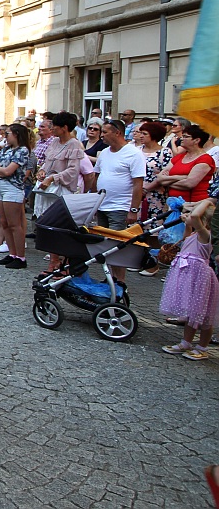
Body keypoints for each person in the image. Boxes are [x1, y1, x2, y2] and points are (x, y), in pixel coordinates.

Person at [86, 119, 146, 285]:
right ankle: (110, 278)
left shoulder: (133, 154)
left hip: (120, 206)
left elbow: (137, 184)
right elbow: (96, 176)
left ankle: (120, 281)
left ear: (117, 132)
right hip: (103, 205)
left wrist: (133, 210)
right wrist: (92, 199)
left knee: (117, 246)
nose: (102, 135)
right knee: (105, 246)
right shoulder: (104, 152)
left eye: (105, 132)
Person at [160, 200, 218, 361]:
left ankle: (202, 347)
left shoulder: (207, 235)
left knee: (204, 315)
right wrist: (187, 223)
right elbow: (187, 235)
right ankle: (186, 342)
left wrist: (206, 201)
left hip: (199, 277)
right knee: (192, 313)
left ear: (204, 221)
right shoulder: (194, 233)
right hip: (188, 276)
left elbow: (195, 215)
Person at [35, 112, 84, 273]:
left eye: (54, 126)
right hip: (48, 190)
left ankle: (66, 264)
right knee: (49, 225)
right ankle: (53, 261)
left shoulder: (74, 144)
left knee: (63, 227)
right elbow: (47, 163)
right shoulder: (54, 141)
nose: (52, 129)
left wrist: (54, 178)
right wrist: (42, 172)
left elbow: (73, 171)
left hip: (62, 190)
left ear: (64, 128)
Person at [0, 123, 31, 269]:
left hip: (12, 187)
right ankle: (12, 253)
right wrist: (0, 170)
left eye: (8, 134)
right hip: (0, 185)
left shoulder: (23, 150)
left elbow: (7, 171)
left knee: (14, 224)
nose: (5, 136)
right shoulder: (6, 149)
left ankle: (21, 256)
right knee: (4, 222)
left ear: (16, 134)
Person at [155, 125, 215, 204]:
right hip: (174, 203)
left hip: (193, 204)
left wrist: (167, 182)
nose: (181, 139)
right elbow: (159, 178)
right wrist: (180, 177)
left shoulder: (205, 159)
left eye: (186, 137)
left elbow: (189, 184)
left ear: (196, 140)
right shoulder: (179, 157)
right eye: (182, 136)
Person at [139, 121, 174, 221]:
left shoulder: (165, 152)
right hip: (136, 194)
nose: (141, 136)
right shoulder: (136, 151)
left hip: (155, 195)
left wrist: (146, 189)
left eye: (144, 134)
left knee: (153, 227)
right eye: (140, 133)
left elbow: (165, 173)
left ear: (154, 135)